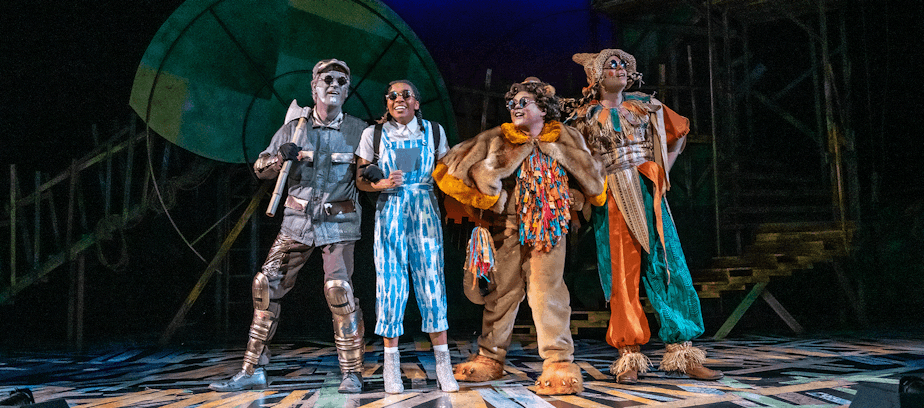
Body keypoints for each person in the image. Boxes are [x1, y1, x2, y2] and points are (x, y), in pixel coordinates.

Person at [433, 78, 607, 395]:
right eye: (512, 103)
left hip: (549, 224)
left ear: (542, 107)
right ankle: (490, 358)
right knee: (502, 293)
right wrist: (490, 201)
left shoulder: (566, 137)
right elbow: (456, 167)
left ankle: (558, 362)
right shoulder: (499, 138)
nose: (515, 108)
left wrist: (574, 198)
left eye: (523, 102)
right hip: (508, 224)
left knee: (546, 291)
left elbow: (591, 176)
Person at [209, 59, 368, 393]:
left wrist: (375, 174)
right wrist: (280, 156)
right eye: (327, 78)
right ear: (314, 86)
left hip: (338, 224)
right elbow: (260, 168)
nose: (334, 84)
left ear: (348, 88)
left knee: (338, 290)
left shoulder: (359, 130)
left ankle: (352, 373)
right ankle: (252, 369)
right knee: (264, 285)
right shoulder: (293, 128)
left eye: (342, 79)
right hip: (297, 222)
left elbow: (372, 172)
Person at [566, 49, 723, 383]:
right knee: (620, 275)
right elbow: (576, 163)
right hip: (611, 198)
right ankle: (629, 357)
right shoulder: (584, 117)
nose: (619, 69)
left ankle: (682, 351)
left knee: (668, 267)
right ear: (596, 77)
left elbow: (678, 134)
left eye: (623, 64)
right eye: (611, 65)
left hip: (647, 190)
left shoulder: (644, 105)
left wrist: (662, 171)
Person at [354, 80, 459, 394]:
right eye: (392, 96)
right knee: (391, 284)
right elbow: (361, 178)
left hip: (425, 210)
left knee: (432, 283)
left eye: (405, 94)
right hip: (391, 211)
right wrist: (382, 184)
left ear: (416, 102)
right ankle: (391, 367)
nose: (398, 99)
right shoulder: (373, 135)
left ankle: (443, 366)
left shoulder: (433, 132)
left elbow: (449, 170)